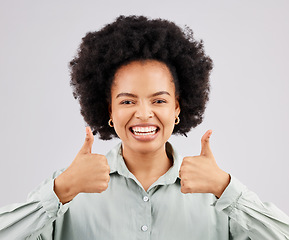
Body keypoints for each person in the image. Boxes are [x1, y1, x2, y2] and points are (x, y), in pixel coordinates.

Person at [0, 15, 289, 240]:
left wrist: (227, 190)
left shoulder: (216, 192)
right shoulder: (69, 188)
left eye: (159, 100)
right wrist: (60, 191)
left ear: (177, 108)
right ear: (109, 111)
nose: (143, 114)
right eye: (127, 102)